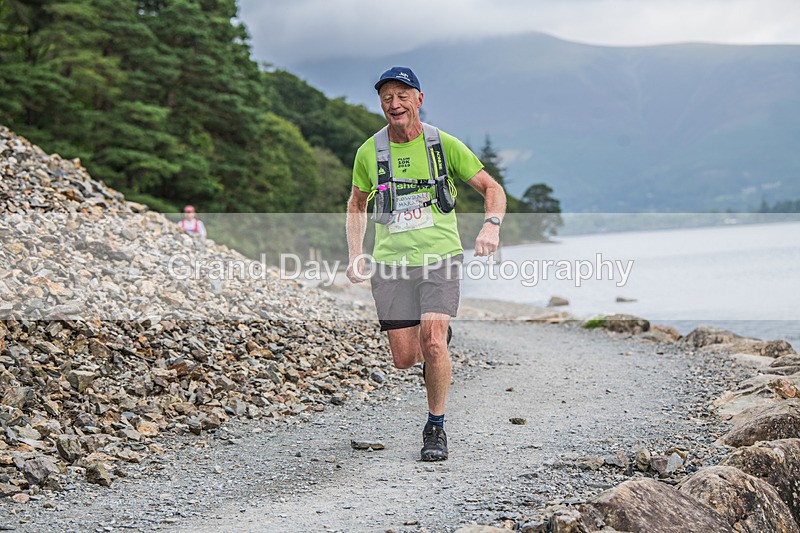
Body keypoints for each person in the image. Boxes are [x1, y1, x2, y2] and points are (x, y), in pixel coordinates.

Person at [346, 66, 507, 461]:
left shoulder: (442, 144)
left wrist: (491, 226)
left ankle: (435, 427)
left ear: (419, 98)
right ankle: (435, 344)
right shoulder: (370, 151)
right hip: (391, 262)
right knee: (404, 358)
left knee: (433, 343)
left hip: (440, 256)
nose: (394, 104)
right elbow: (356, 204)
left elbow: (492, 187)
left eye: (403, 95)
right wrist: (355, 252)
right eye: (387, 98)